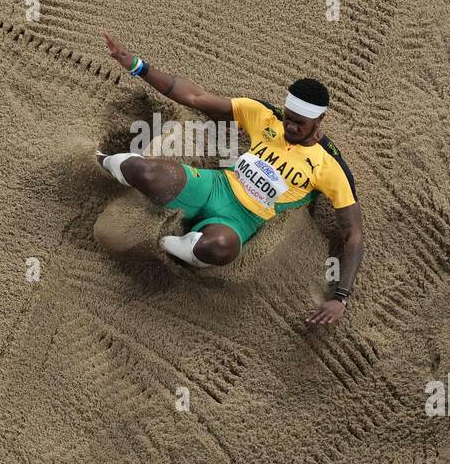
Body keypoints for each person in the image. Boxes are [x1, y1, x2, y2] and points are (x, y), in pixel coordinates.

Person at [99, 34, 364, 326]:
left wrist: (340, 297)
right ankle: (102, 161)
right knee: (143, 171)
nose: (289, 126)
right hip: (213, 186)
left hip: (241, 220)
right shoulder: (265, 116)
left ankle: (174, 246)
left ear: (320, 119)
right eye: (288, 117)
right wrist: (138, 66)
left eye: (299, 123)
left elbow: (353, 233)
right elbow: (195, 97)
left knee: (220, 248)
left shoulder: (330, 165)